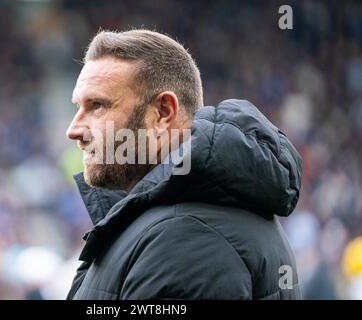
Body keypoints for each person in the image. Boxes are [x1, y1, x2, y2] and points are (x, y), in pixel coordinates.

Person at [65, 29, 302, 299]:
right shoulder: (178, 222)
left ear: (163, 112)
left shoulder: (185, 239)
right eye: (78, 107)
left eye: (97, 106)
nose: (74, 130)